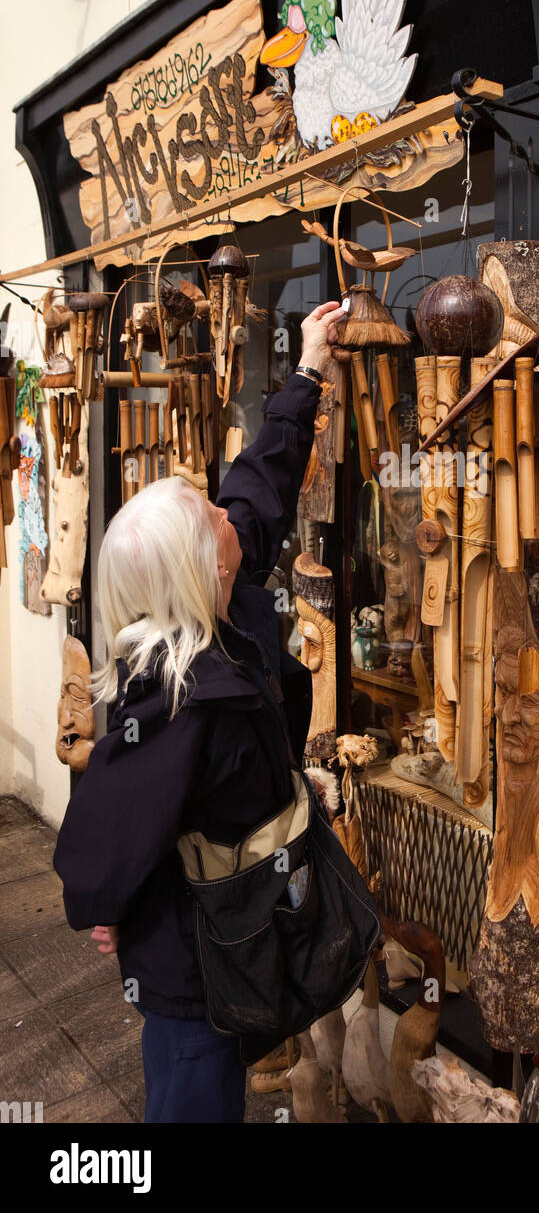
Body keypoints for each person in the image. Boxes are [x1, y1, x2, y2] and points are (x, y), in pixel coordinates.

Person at [54, 300, 345, 1124]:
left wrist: (308, 370)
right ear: (197, 573)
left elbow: (258, 490)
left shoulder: (219, 600)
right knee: (193, 1105)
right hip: (191, 971)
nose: (231, 518)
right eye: (215, 523)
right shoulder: (174, 699)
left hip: (240, 935)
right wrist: (105, 902)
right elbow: (103, 833)